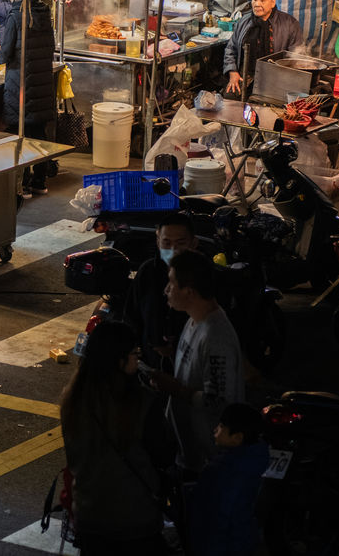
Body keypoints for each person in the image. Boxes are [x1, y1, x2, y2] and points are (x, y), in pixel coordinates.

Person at [60, 320, 162, 555]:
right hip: (135, 519)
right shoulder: (143, 403)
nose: (138, 360)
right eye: (135, 354)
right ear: (119, 360)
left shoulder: (73, 400)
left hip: (89, 515)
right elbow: (163, 455)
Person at [148, 250, 245, 473]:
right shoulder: (194, 321)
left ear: (189, 291)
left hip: (207, 461)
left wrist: (176, 389)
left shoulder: (216, 336)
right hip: (187, 452)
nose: (166, 290)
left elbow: (219, 400)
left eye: (171, 284)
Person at [185, 403, 270, 556]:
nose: (215, 429)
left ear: (237, 438)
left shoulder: (227, 470)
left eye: (221, 426)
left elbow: (221, 517)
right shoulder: (250, 461)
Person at [0, 0, 56, 195]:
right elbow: (51, 47)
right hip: (42, 82)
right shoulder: (45, 14)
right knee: (38, 133)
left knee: (19, 134)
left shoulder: (15, 16)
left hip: (19, 84)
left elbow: (5, 53)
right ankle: (39, 181)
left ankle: (23, 182)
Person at [121, 216, 197, 370]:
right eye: (167, 243)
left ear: (194, 243)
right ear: (158, 242)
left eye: (180, 243)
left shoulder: (203, 275)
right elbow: (132, 317)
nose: (173, 249)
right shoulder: (147, 272)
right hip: (151, 365)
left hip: (191, 367)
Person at [222, 0, 303, 96]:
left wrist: (284, 80)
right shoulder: (244, 21)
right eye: (254, 0)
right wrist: (232, 71)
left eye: (262, 0)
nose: (257, 4)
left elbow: (295, 56)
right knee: (229, 98)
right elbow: (231, 49)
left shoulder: (289, 24)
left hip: (276, 79)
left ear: (273, 2)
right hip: (246, 75)